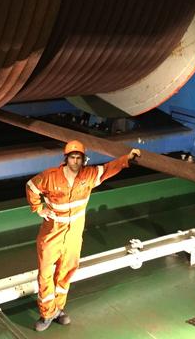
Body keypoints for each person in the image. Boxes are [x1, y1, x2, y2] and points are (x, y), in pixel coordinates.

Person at [26, 140, 141, 332]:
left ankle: (58, 309)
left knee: (67, 271)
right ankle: (47, 313)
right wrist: (38, 208)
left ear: (83, 159)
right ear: (66, 159)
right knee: (46, 273)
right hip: (52, 232)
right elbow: (31, 187)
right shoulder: (50, 177)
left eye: (79, 157)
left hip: (74, 234)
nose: (76, 161)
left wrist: (127, 158)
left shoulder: (89, 176)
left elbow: (108, 169)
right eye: (72, 157)